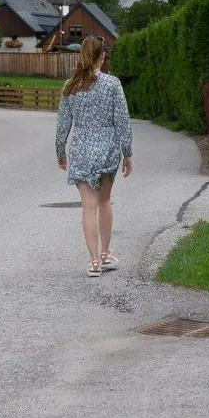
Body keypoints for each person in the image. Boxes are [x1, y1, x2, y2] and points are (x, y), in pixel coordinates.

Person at [55, 36, 133, 278]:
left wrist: (60, 150)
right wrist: (127, 152)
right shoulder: (112, 84)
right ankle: (105, 253)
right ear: (102, 57)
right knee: (104, 202)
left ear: (82, 57)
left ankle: (93, 263)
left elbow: (63, 123)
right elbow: (122, 120)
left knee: (88, 207)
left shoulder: (71, 86)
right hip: (107, 149)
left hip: (81, 149)